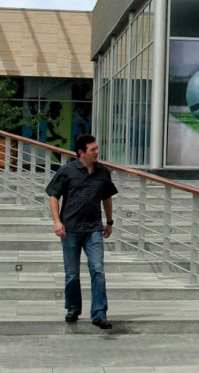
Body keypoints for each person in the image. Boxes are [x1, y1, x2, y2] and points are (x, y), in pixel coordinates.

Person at [45, 134, 119, 329]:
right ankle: (73, 308)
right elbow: (53, 196)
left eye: (96, 148)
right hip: (70, 229)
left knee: (98, 270)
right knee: (72, 273)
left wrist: (109, 221)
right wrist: (56, 222)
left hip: (94, 228)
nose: (97, 152)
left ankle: (99, 313)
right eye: (93, 149)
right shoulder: (67, 171)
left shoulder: (103, 172)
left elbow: (107, 197)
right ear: (81, 153)